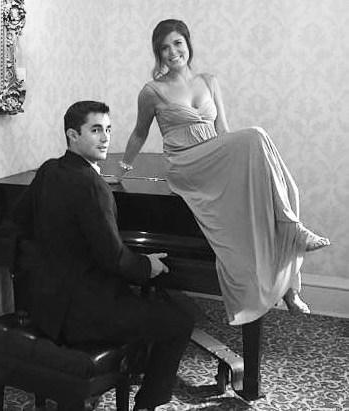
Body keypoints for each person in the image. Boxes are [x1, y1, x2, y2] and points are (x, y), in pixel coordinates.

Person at [114, 19, 330, 403]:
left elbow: (225, 132)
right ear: (157, 53)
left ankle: (289, 282)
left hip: (214, 158)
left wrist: (239, 172)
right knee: (258, 135)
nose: (172, 52)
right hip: (185, 165)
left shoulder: (209, 81)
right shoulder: (152, 91)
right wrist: (122, 169)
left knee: (279, 184)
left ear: (188, 44)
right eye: (164, 47)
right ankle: (292, 235)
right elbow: (139, 132)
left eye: (177, 43)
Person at [12, 100, 195, 411]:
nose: (106, 138)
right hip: (82, 316)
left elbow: (20, 218)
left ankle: (126, 370)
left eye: (108, 130)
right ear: (72, 135)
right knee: (181, 319)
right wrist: (146, 265)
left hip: (46, 305)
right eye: (95, 130)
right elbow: (114, 258)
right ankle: (148, 403)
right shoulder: (92, 185)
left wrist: (62, 251)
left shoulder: (48, 170)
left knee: (147, 306)